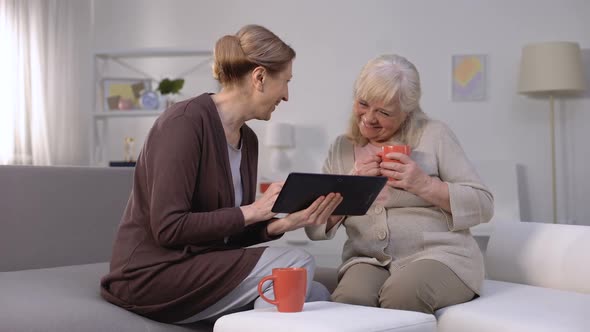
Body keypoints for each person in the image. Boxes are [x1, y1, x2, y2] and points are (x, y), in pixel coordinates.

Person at [100, 24, 342, 324]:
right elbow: (169, 228)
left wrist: (284, 224)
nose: (287, 95)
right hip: (150, 276)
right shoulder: (184, 123)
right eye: (286, 82)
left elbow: (226, 236)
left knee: (316, 293)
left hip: (200, 267)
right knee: (297, 263)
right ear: (260, 77)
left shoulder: (248, 140)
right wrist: (253, 210)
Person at [305, 54, 494, 314]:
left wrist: (424, 184)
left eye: (383, 112)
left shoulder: (434, 135)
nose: (369, 118)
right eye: (363, 104)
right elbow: (315, 228)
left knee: (401, 295)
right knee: (349, 300)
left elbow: (484, 204)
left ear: (407, 112)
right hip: (367, 259)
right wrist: (351, 187)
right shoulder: (341, 148)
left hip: (441, 256)